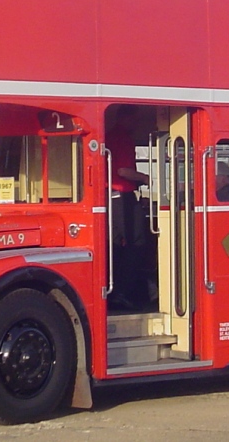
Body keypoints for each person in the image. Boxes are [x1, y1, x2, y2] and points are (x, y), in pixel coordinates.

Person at [106, 105, 150, 310]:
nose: (137, 124)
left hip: (108, 198)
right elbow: (123, 170)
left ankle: (113, 290)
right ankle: (125, 292)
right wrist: (145, 178)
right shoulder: (122, 137)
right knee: (137, 243)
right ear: (128, 118)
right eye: (135, 119)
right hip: (121, 196)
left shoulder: (109, 136)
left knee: (115, 246)